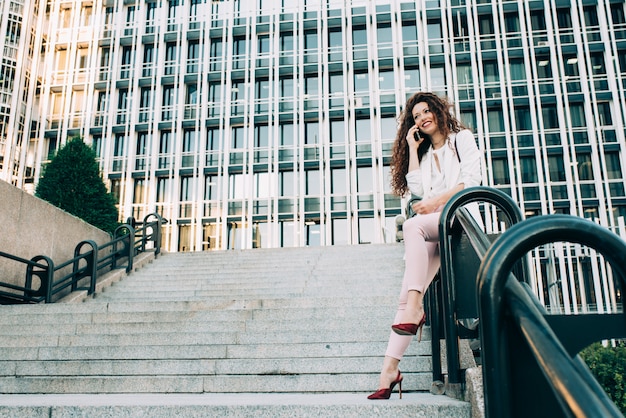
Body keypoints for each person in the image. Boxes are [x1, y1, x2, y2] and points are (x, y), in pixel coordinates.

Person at [367, 92, 483, 400]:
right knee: (406, 297)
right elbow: (416, 191)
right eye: (416, 116)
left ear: (439, 111)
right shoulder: (428, 151)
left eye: (426, 111)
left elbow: (471, 182)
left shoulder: (462, 139)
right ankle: (389, 371)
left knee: (412, 225)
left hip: (461, 220)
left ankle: (417, 308)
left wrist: (434, 202)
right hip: (436, 228)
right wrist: (413, 148)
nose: (422, 117)